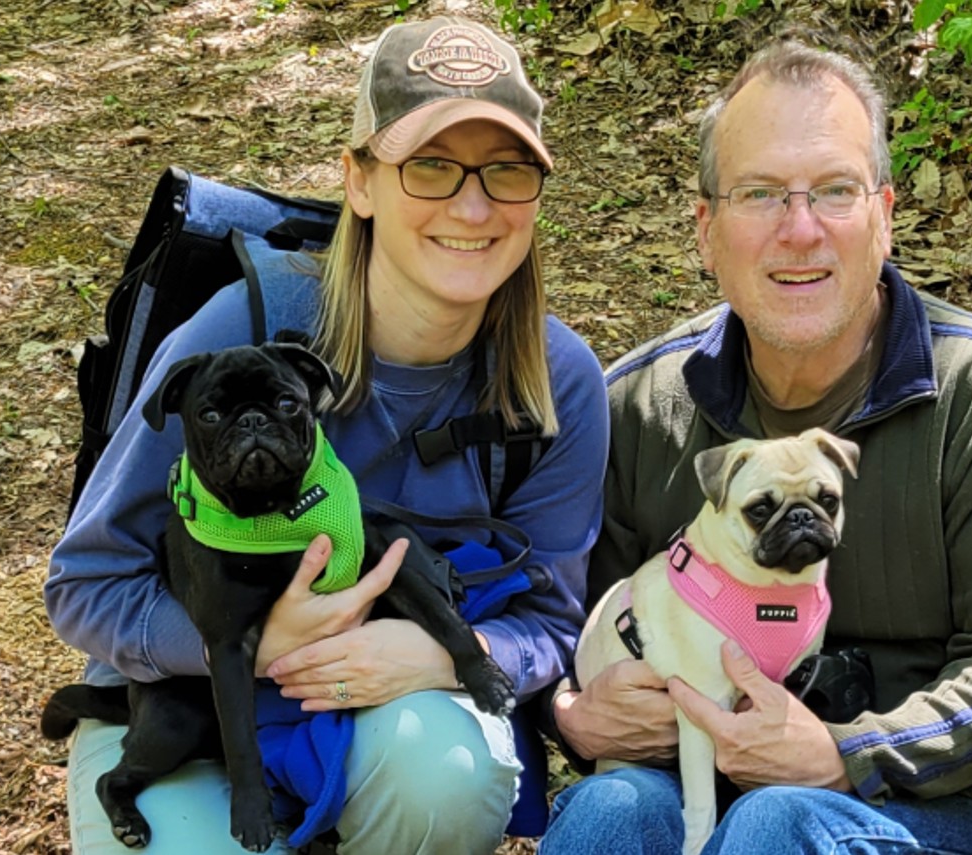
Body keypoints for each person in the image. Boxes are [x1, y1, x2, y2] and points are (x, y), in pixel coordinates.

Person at [44, 16, 606, 855]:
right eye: (432, 167)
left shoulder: (555, 380)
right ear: (360, 180)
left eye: (508, 170)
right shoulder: (243, 334)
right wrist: (245, 647)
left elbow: (555, 625)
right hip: (194, 703)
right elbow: (85, 584)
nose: (474, 204)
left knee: (446, 776)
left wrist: (443, 655)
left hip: (396, 701)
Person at [538, 40, 972, 855]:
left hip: (921, 794)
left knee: (775, 824)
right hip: (679, 768)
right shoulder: (641, 403)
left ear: (884, 213)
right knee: (605, 817)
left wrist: (847, 753)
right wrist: (570, 712)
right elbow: (550, 618)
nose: (800, 230)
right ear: (706, 228)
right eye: (760, 194)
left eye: (834, 190)